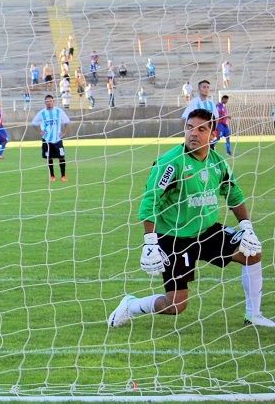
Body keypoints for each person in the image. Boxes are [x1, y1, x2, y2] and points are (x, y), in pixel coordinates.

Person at [108, 108, 275, 328]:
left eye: (201, 129)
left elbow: (234, 194)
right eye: (189, 128)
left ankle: (253, 315)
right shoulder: (170, 164)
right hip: (174, 237)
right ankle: (131, 305)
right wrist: (150, 241)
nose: (193, 134)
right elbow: (150, 201)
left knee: (252, 253)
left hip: (206, 232)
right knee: (175, 305)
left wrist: (247, 227)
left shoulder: (218, 163)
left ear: (213, 134)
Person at [31, 95, 70, 182]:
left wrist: (64, 132)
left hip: (57, 139)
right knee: (49, 158)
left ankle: (63, 175)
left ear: (53, 101)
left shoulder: (59, 111)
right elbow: (34, 123)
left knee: (62, 157)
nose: (49, 102)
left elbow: (67, 121)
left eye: (50, 101)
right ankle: (52, 176)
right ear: (45, 103)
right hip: (47, 140)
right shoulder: (42, 113)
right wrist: (40, 132)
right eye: (47, 101)